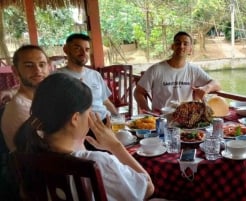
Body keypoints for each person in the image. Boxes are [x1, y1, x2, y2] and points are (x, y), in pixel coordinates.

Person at [14, 73, 154, 200]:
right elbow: (147, 189)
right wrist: (115, 146)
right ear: (75, 118)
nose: (91, 117)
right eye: (89, 111)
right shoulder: (98, 162)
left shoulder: (29, 151)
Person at [134, 31, 221, 112]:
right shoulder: (156, 69)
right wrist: (148, 113)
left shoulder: (194, 70)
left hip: (186, 119)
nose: (181, 46)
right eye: (178, 43)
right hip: (162, 119)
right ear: (173, 46)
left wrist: (206, 88)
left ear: (190, 49)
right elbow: (138, 92)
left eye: (185, 44)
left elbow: (217, 84)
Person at [57, 33, 118, 121]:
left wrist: (118, 117)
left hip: (105, 121)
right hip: (80, 128)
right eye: (77, 48)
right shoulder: (57, 77)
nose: (83, 53)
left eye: (86, 49)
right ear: (65, 49)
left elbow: (105, 101)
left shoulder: (95, 74)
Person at [1, 45, 50, 151]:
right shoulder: (21, 109)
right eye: (29, 65)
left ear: (49, 67)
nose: (37, 70)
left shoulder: (43, 97)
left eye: (42, 64)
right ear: (15, 71)